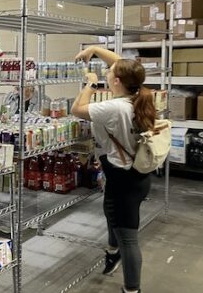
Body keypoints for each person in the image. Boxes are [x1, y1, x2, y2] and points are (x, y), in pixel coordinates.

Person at [71, 46, 155, 293]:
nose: (107, 71)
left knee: (128, 238)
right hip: (137, 175)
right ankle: (112, 252)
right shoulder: (140, 95)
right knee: (112, 213)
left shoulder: (114, 108)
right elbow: (124, 65)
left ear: (116, 81)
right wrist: (94, 50)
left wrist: (91, 84)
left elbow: (77, 109)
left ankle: (132, 289)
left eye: (109, 72)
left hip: (123, 179)